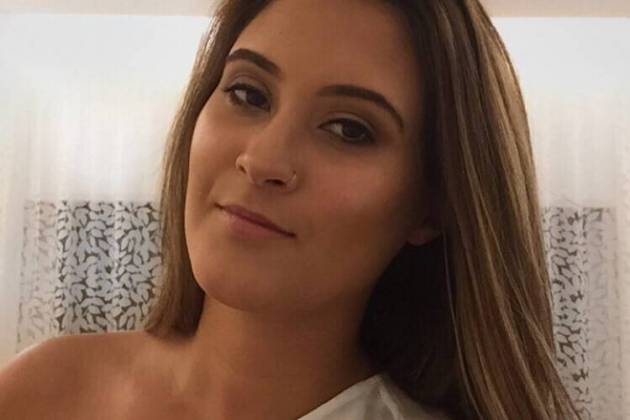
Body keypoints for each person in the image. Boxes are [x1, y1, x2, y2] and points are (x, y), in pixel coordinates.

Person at [0, 0, 581, 419]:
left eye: (348, 130)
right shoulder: (43, 391)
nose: (262, 159)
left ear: (433, 206)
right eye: (247, 93)